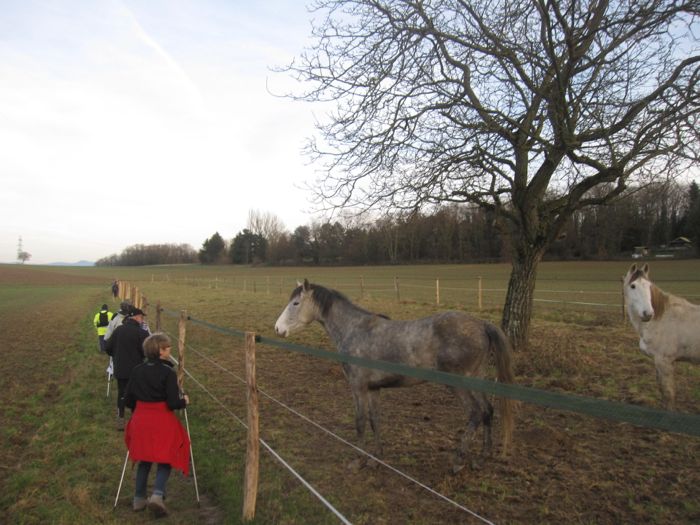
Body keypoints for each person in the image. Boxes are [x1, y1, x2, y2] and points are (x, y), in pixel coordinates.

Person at [123, 333, 190, 516]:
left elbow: (128, 400)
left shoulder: (137, 370)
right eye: (167, 348)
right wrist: (184, 401)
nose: (170, 351)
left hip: (141, 419)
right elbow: (172, 403)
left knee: (144, 457)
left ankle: (138, 499)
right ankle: (157, 496)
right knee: (165, 457)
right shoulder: (168, 373)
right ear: (159, 351)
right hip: (162, 420)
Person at [105, 307, 149, 430]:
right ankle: (135, 419)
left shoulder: (119, 330)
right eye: (141, 317)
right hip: (136, 370)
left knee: (122, 392)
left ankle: (120, 417)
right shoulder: (142, 333)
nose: (142, 319)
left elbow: (108, 347)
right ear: (135, 317)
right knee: (136, 393)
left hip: (120, 368)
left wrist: (116, 355)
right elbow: (146, 352)